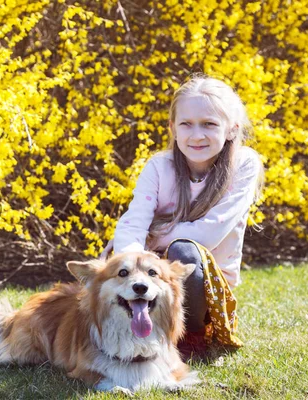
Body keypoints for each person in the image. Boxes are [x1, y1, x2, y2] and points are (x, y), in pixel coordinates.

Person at [111, 75, 263, 360]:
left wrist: (152, 234)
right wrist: (129, 261)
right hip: (153, 276)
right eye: (186, 124)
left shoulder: (244, 164)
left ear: (231, 130)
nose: (196, 135)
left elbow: (209, 233)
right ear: (173, 128)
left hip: (206, 285)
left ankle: (191, 334)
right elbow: (133, 224)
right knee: (120, 260)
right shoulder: (159, 167)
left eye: (209, 124)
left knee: (184, 250)